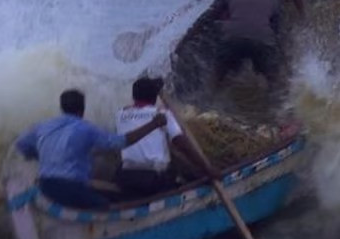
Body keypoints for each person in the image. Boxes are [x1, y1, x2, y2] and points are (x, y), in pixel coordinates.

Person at [15, 89, 168, 209]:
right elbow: (121, 142)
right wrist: (153, 124)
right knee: (110, 206)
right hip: (71, 188)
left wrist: (42, 155)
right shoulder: (85, 128)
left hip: (45, 185)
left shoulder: (42, 126)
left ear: (61, 107)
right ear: (82, 108)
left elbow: (21, 145)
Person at [115, 76, 217, 198]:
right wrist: (207, 169)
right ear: (154, 98)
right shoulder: (162, 115)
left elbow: (134, 111)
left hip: (127, 178)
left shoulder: (120, 115)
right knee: (183, 174)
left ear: (133, 97)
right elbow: (181, 143)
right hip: (154, 179)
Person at [212, 0, 281, 87]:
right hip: (262, 40)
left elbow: (215, 12)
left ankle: (212, 92)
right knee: (273, 79)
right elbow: (275, 29)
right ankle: (278, 99)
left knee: (218, 74)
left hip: (232, 37)